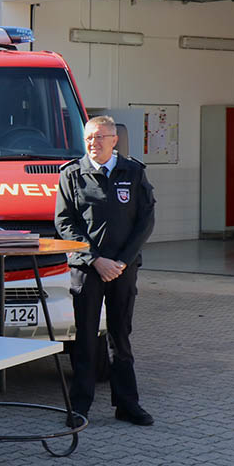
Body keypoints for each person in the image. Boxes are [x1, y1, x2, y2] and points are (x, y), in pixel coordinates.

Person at [54, 115, 156, 428]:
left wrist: (121, 261)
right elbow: (64, 222)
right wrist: (96, 259)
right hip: (86, 268)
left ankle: (127, 404)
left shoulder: (133, 172)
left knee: (119, 336)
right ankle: (80, 406)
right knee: (84, 337)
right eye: (88, 138)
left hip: (122, 269)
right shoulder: (72, 174)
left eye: (100, 137)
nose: (94, 144)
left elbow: (145, 221)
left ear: (115, 139)